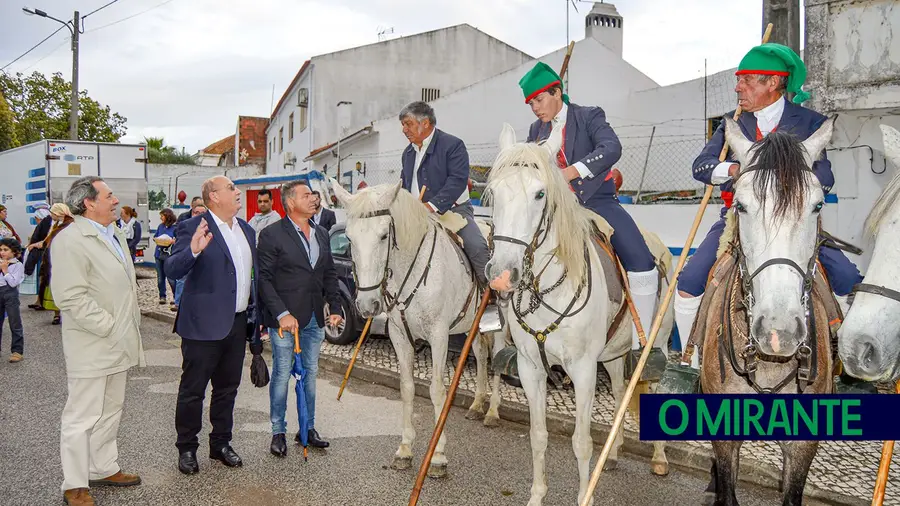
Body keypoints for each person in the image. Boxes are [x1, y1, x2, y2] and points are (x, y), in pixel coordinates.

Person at [676, 43, 863, 368]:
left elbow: (825, 174)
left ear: (774, 82)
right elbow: (701, 166)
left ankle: (848, 365)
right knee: (688, 282)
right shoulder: (734, 124)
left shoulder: (810, 123)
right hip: (740, 220)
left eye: (747, 80)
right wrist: (734, 170)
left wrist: (786, 181)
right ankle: (689, 364)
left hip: (796, 222)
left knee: (848, 279)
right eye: (739, 80)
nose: (738, 87)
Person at [518, 61, 659, 359]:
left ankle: (642, 345)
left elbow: (612, 148)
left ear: (557, 92)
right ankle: (518, 332)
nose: (535, 108)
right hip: (553, 209)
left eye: (539, 100)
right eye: (531, 103)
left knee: (641, 261)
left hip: (596, 202)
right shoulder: (536, 129)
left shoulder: (589, 116)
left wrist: (572, 171)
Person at [51, 176, 144, 506]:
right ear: (89, 202)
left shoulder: (113, 232)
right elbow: (71, 298)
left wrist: (123, 329)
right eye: (109, 195)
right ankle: (74, 483)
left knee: (110, 410)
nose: (116, 200)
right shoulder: (70, 240)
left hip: (117, 342)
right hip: (92, 344)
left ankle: (102, 467)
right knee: (82, 416)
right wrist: (110, 326)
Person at [165, 175, 262, 475]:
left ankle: (220, 443)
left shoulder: (246, 229)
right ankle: (187, 448)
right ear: (213, 197)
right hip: (202, 326)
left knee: (227, 389)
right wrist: (193, 250)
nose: (237, 192)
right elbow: (173, 268)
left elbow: (250, 278)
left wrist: (256, 318)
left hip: (235, 324)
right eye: (231, 188)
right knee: (193, 390)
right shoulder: (193, 226)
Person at [258, 180, 343, 456]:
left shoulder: (321, 234)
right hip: (285, 321)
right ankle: (278, 431)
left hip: (315, 318)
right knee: (282, 375)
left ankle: (307, 428)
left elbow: (329, 274)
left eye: (313, 195)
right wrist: (281, 314)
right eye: (306, 195)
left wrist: (337, 308)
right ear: (291, 202)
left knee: (309, 376)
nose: (313, 199)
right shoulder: (272, 235)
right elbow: (264, 280)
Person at [398, 101, 490, 287]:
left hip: (454, 214)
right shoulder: (408, 153)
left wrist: (431, 206)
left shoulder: (453, 145)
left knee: (477, 246)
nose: (404, 130)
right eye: (403, 125)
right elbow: (404, 187)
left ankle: (492, 291)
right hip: (418, 217)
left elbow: (457, 181)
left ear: (425, 123)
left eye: (408, 124)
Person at [38, 203, 75, 325]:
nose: (51, 215)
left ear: (59, 213)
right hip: (54, 261)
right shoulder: (56, 225)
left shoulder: (70, 225)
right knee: (55, 288)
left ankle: (69, 315)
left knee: (67, 289)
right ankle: (57, 314)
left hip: (65, 262)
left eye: (53, 212)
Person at [0, 238, 25, 363]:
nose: (2, 252)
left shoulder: (17, 265)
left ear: (14, 251)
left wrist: (5, 271)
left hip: (10, 293)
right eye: (1, 250)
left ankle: (17, 351)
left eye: (6, 249)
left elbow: (14, 282)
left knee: (14, 322)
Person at [153, 209, 177, 306]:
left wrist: (173, 241)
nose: (160, 218)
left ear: (167, 216)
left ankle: (177, 297)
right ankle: (162, 296)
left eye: (162, 216)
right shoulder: (160, 226)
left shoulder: (175, 228)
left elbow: (177, 240)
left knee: (171, 278)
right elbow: (155, 236)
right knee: (160, 278)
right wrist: (157, 239)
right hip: (159, 254)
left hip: (169, 256)